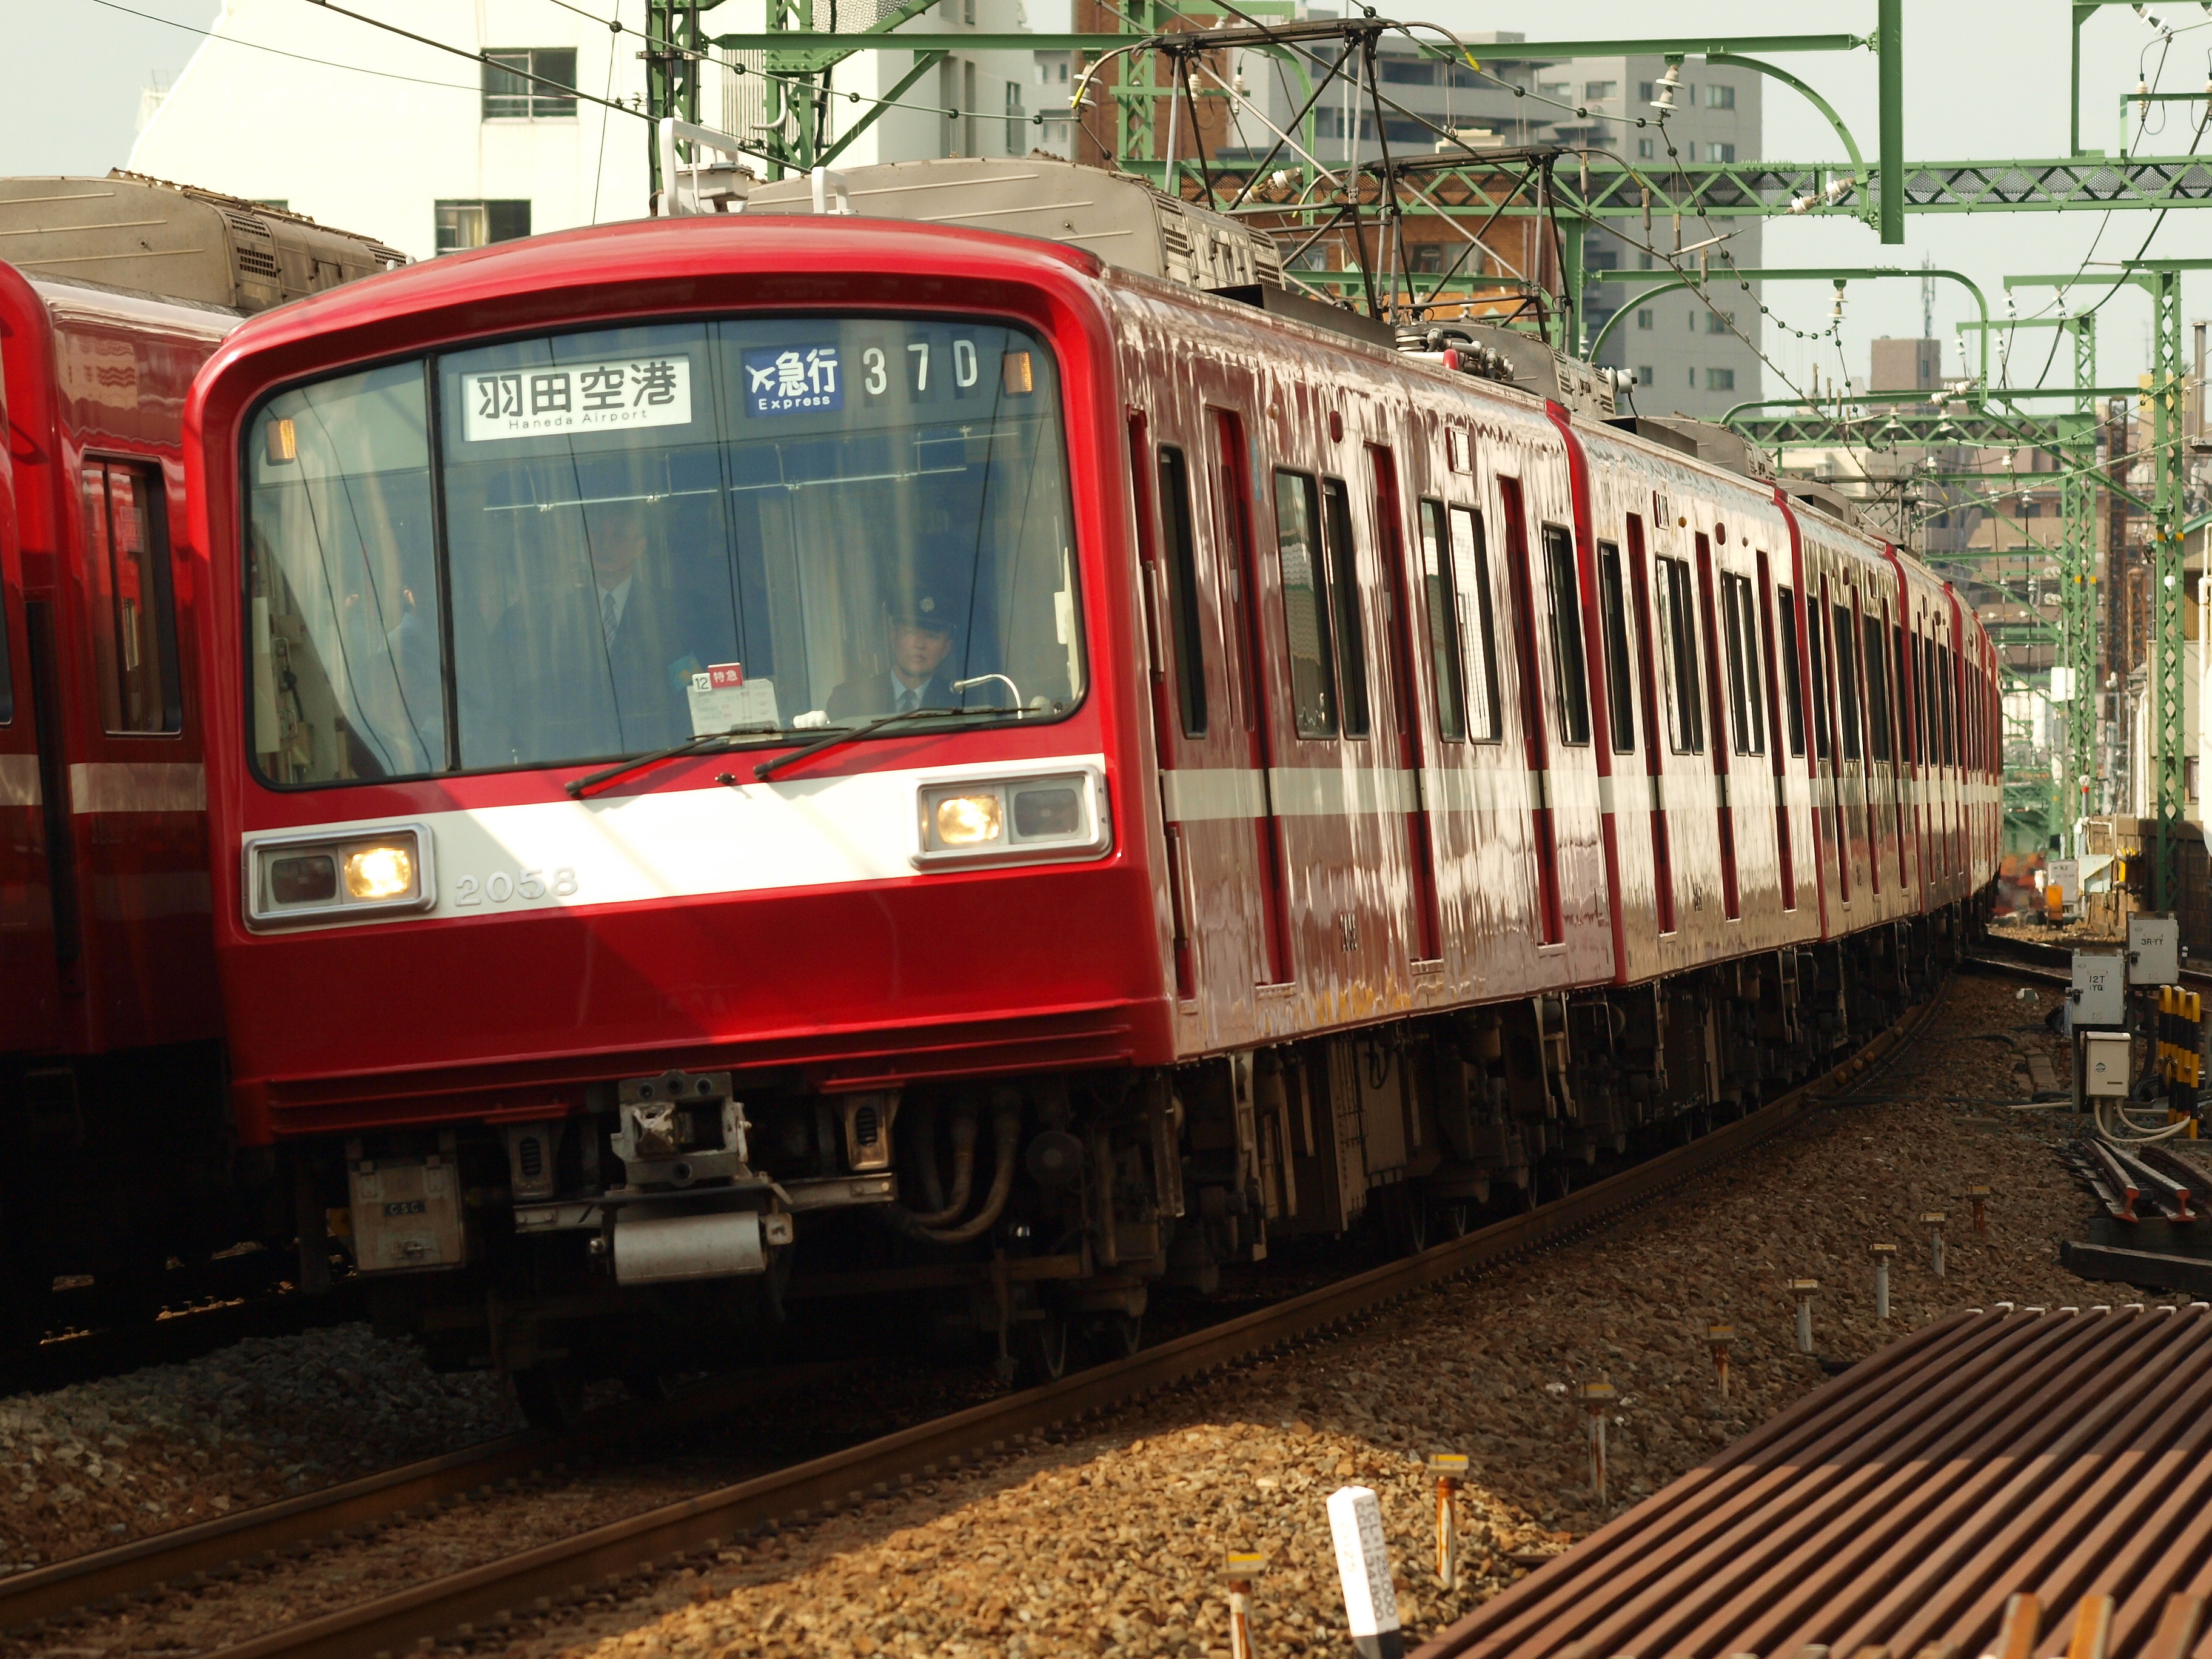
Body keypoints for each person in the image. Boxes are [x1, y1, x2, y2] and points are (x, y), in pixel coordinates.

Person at [497, 500, 722, 761]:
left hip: (659, 754)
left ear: (640, 546)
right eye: (597, 537)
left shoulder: (675, 612)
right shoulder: (555, 618)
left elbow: (689, 691)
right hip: (576, 757)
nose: (606, 546)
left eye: (618, 536)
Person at [825, 578, 1007, 720]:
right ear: (893, 636)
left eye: (932, 637)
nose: (919, 644)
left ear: (947, 648)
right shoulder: (850, 700)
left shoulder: (965, 704)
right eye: (911, 633)